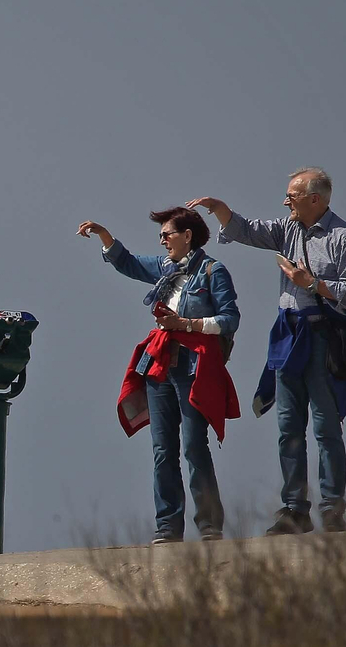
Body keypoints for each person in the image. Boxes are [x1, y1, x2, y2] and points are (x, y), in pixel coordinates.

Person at [188, 169, 346, 535]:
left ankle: (332, 509)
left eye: (293, 195)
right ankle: (294, 509)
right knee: (288, 427)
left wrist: (313, 284)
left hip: (322, 335)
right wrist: (220, 210)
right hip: (288, 333)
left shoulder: (343, 237)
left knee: (325, 426)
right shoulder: (287, 229)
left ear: (315, 199)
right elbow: (248, 229)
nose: (286, 201)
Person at [78, 207, 241, 544]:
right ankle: (168, 526)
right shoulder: (166, 269)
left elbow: (230, 319)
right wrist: (105, 237)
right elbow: (130, 263)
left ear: (187, 236)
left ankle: (210, 525)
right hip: (160, 367)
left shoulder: (213, 271)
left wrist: (186, 325)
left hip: (193, 368)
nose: (162, 240)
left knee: (195, 446)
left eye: (167, 234)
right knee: (163, 450)